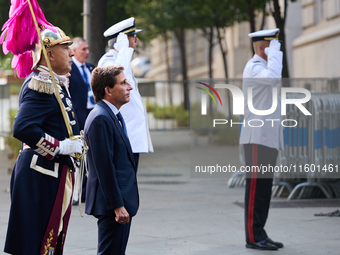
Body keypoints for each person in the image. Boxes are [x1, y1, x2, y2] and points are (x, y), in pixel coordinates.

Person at [4, 27, 84, 254]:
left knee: (51, 239)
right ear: (49, 54)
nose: (71, 53)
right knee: (37, 242)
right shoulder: (40, 84)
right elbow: (23, 128)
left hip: (51, 172)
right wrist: (60, 147)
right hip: (40, 174)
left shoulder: (53, 81)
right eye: (65, 47)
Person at [84, 66, 138, 254]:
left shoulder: (110, 114)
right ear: (108, 90)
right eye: (123, 83)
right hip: (113, 206)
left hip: (118, 202)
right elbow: (104, 167)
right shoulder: (101, 118)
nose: (129, 87)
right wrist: (117, 206)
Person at [239, 28, 284, 251]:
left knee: (265, 190)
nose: (277, 49)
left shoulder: (265, 67)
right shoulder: (255, 68)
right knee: (256, 189)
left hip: (267, 137)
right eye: (272, 45)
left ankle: (260, 232)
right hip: (256, 138)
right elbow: (275, 78)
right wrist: (276, 54)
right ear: (261, 47)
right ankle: (252, 236)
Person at [98, 17, 153, 169]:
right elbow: (116, 76)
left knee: (130, 183)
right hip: (122, 136)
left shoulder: (121, 60)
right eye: (132, 37)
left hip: (130, 137)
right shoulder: (108, 62)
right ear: (121, 41)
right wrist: (124, 50)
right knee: (124, 184)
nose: (136, 41)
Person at [69, 37, 95, 205]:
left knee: (91, 154)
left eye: (87, 49)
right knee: (78, 155)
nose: (87, 52)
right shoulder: (69, 69)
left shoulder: (91, 68)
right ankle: (75, 192)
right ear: (75, 51)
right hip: (78, 117)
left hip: (93, 114)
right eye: (83, 49)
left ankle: (86, 192)